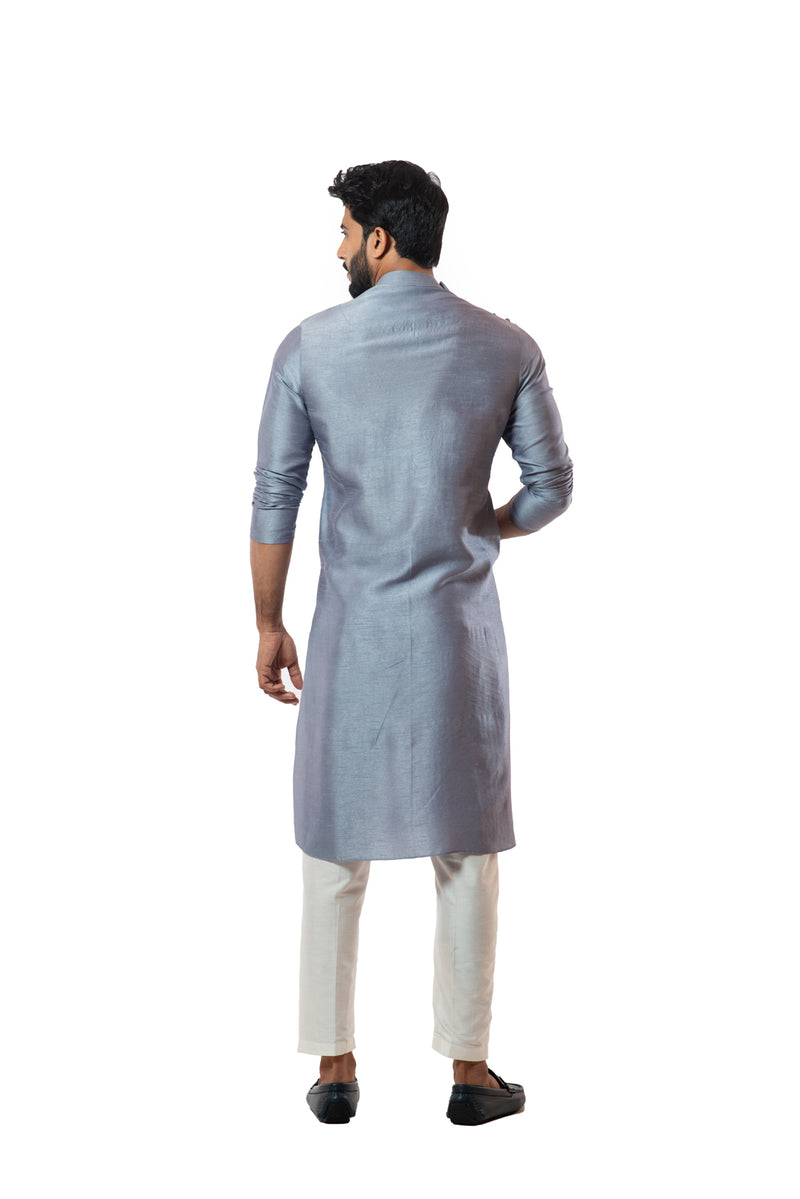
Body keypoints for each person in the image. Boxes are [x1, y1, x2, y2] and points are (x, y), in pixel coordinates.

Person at [250, 160, 573, 1125]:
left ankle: (335, 1067)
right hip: (455, 637)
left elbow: (276, 494)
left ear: (381, 239)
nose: (339, 249)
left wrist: (268, 621)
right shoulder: (506, 345)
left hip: (349, 633)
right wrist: (485, 526)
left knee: (331, 847)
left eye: (346, 233)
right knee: (466, 848)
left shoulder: (309, 347)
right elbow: (553, 486)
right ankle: (470, 1073)